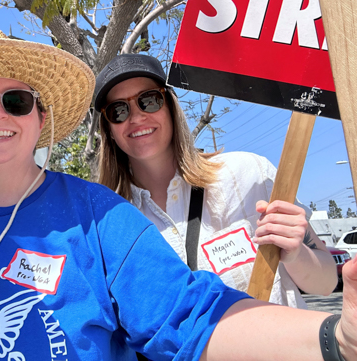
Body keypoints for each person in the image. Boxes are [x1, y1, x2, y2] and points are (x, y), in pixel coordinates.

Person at [0, 30, 356, 361]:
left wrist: (335, 338)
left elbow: (190, 317)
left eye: (17, 101)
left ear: (40, 119)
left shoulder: (100, 219)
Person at [94, 54, 337, 307]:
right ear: (109, 129)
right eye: (118, 110)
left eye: (149, 100)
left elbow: (327, 283)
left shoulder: (249, 174)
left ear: (170, 107)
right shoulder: (109, 225)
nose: (136, 117)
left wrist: (296, 253)